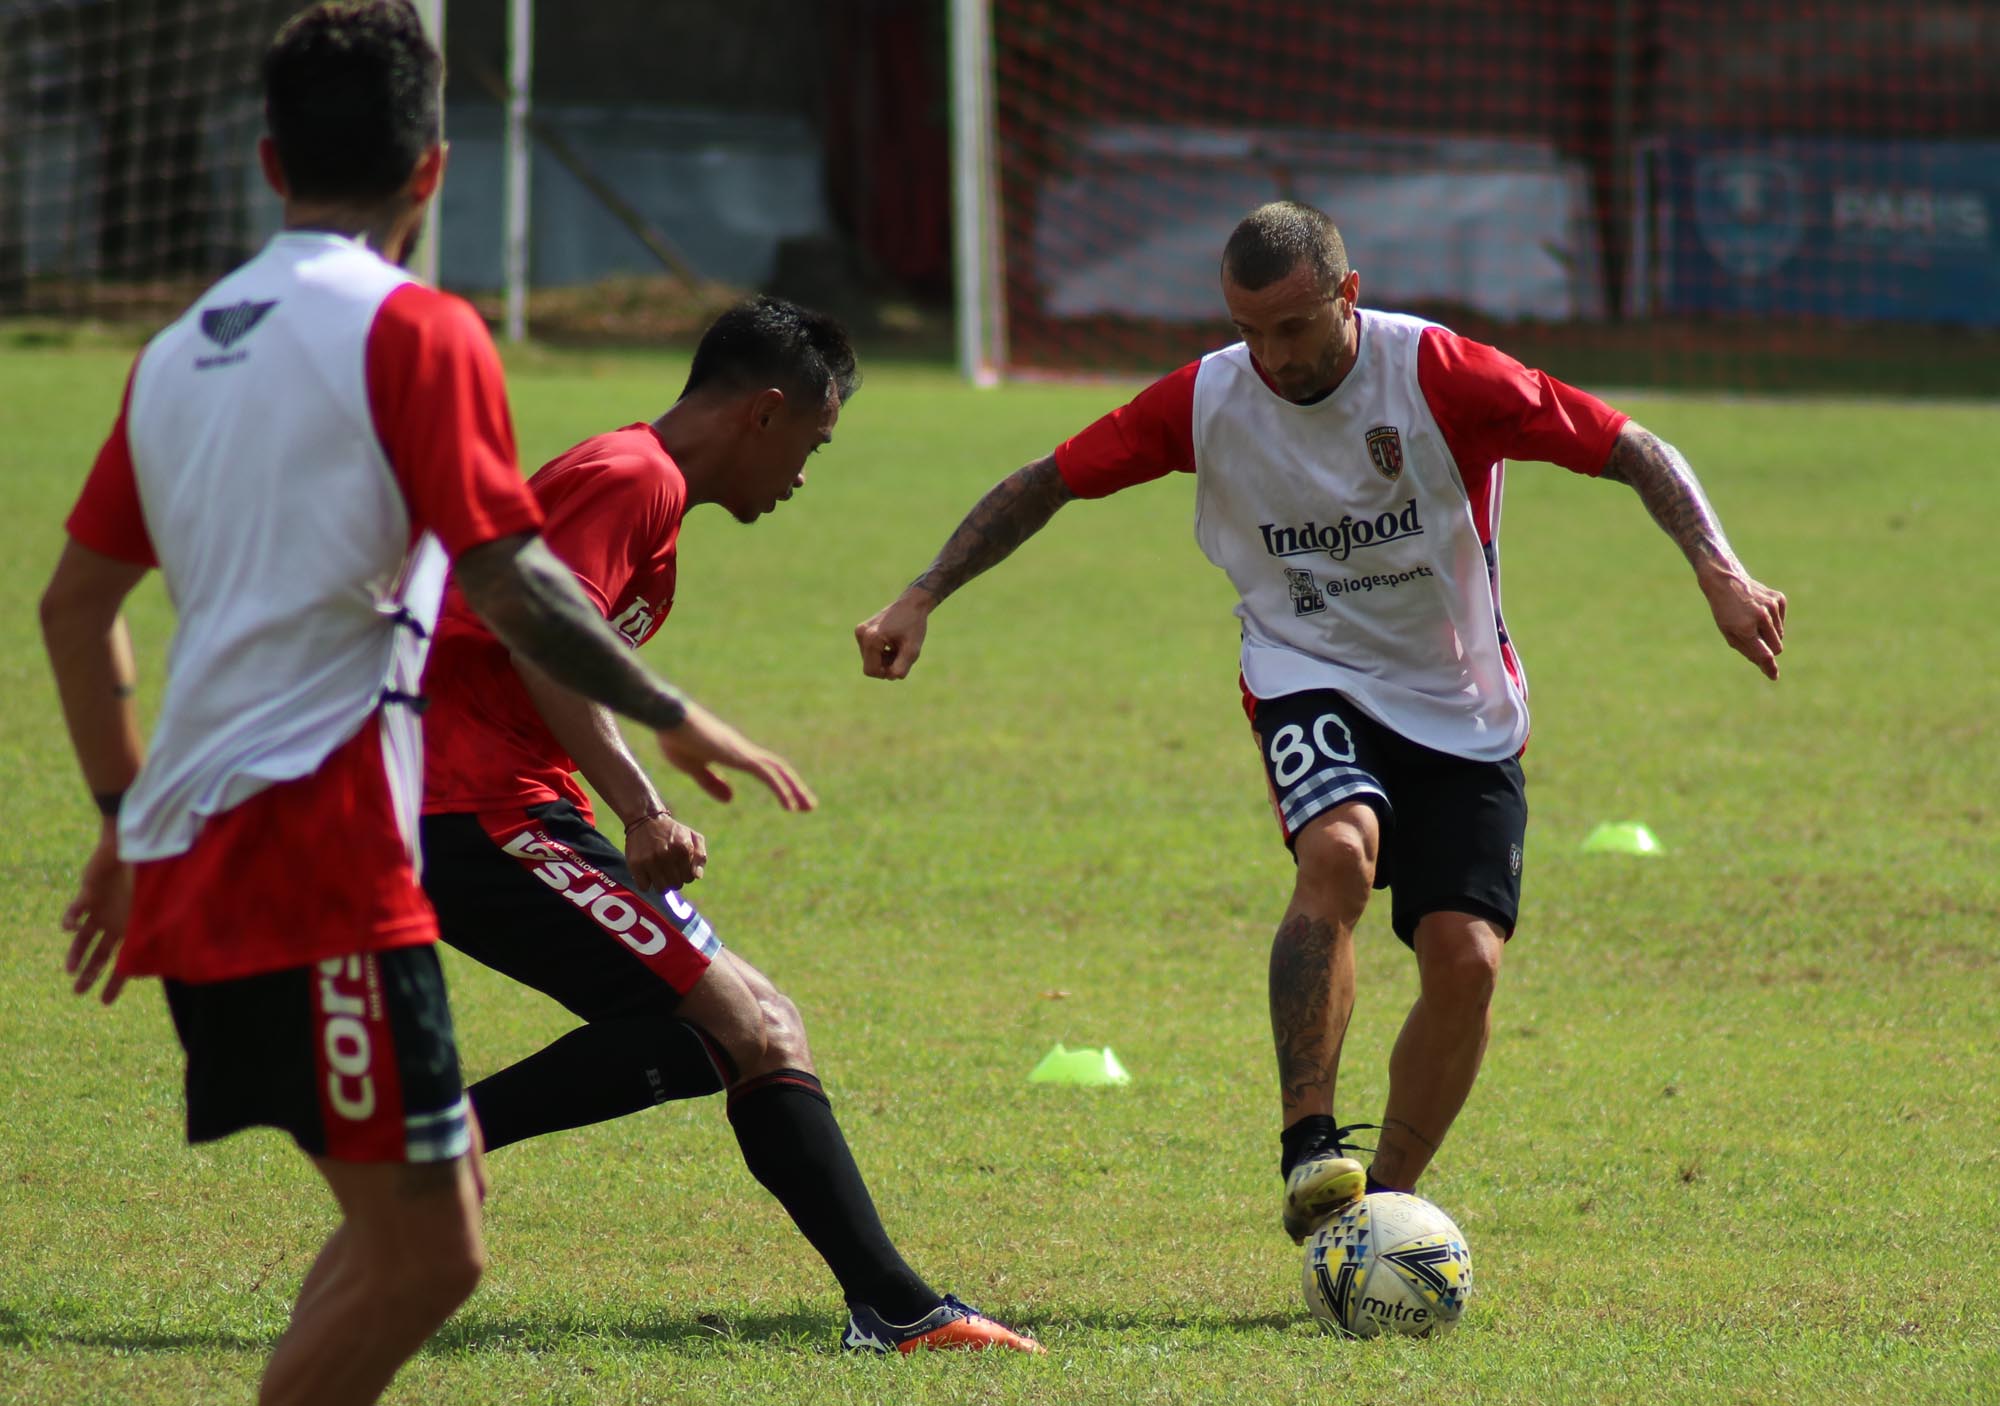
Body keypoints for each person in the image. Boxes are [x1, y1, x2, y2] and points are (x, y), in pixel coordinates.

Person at [39, 6, 811, 1405]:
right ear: (434, 172)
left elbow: (73, 607)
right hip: (317, 854)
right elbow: (515, 586)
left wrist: (120, 816)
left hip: (214, 851)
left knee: (417, 1213)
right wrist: (671, 714)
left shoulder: (175, 349)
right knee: (429, 1255)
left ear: (269, 162)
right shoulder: (419, 330)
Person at [855, 200, 1787, 1245]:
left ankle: (1374, 1206)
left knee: (1467, 957)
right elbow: (1046, 483)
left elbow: (1633, 448)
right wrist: (922, 593)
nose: (1269, 355)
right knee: (1336, 852)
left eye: (1291, 328)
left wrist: (1719, 570)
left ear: (1347, 295)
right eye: (1246, 330)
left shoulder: (1438, 375)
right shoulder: (1207, 399)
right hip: (1305, 669)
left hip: (1457, 699)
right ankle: (1308, 1140)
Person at [416, 295, 1043, 1354]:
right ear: (764, 412)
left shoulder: (639, 484)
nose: (805, 473)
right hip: (467, 806)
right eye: (814, 439)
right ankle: (895, 1308)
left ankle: (890, 1305)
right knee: (737, 1024)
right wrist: (642, 806)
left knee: (756, 1019)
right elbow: (538, 633)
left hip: (503, 798)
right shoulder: (633, 476)